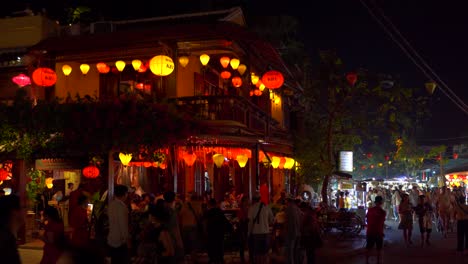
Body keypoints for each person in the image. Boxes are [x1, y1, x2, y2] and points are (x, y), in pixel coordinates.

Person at [203, 198, 233, 263]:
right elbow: (225, 221)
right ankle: (219, 259)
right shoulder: (219, 211)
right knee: (219, 246)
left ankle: (212, 259)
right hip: (219, 233)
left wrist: (205, 231)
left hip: (211, 233)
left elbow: (205, 222)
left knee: (211, 247)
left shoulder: (208, 213)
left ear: (209, 204)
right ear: (215, 204)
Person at [248, 193, 274, 264]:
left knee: (257, 253)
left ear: (253, 200)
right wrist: (266, 223)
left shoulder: (252, 208)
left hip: (256, 233)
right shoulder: (267, 207)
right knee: (265, 252)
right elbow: (272, 220)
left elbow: (250, 223)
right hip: (265, 232)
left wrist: (249, 233)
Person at [108, 184, 130, 264]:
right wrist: (127, 239)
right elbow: (123, 225)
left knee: (114, 260)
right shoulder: (121, 207)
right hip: (120, 240)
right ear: (124, 194)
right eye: (127, 193)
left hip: (111, 237)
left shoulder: (111, 205)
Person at [0, 195, 23, 264]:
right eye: (24, 207)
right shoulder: (6, 241)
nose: (27, 211)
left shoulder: (8, 236)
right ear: (15, 212)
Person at [163, 190, 184, 263]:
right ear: (173, 199)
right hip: (171, 237)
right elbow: (174, 226)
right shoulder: (171, 211)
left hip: (164, 237)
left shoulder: (163, 208)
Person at [366, 196, 386, 264]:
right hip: (378, 232)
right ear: (381, 203)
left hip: (370, 231)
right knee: (379, 249)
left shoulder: (370, 210)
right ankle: (378, 261)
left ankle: (367, 261)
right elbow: (382, 223)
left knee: (369, 247)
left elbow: (367, 220)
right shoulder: (382, 212)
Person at [285, 197, 302, 264]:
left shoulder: (289, 208)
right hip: (298, 232)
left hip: (291, 232)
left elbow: (287, 221)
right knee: (295, 250)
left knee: (290, 250)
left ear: (288, 201)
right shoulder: (297, 208)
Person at [237, 196, 250, 263]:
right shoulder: (241, 210)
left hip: (246, 226)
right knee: (242, 243)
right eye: (246, 201)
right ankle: (242, 259)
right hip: (243, 227)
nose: (248, 202)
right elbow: (241, 220)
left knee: (248, 242)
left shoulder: (248, 209)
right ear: (243, 202)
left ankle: (248, 258)